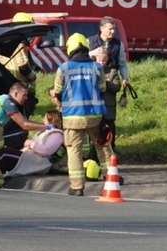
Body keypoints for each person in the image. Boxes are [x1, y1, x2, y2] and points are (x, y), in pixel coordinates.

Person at [52, 33, 107, 196]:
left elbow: (58, 92)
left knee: (74, 150)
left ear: (70, 49)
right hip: (95, 116)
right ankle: (111, 177)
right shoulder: (97, 67)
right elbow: (103, 89)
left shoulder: (63, 68)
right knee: (103, 147)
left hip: (72, 118)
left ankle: (77, 187)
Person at [87, 16, 129, 156]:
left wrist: (125, 78)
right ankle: (94, 150)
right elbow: (83, 57)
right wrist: (93, 53)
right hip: (93, 81)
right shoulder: (90, 42)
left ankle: (112, 148)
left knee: (109, 120)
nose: (113, 31)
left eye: (114, 29)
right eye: (110, 29)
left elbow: (122, 63)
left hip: (111, 79)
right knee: (94, 121)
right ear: (101, 28)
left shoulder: (118, 44)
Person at [0, 11, 39, 112]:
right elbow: (23, 65)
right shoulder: (19, 44)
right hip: (19, 83)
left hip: (7, 81)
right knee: (21, 111)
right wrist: (32, 76)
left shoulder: (4, 42)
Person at [6, 110, 66, 177]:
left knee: (5, 154)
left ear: (52, 121)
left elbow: (47, 150)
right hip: (30, 157)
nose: (43, 120)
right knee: (5, 154)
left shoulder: (56, 134)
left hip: (40, 162)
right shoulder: (45, 131)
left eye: (45, 119)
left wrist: (30, 143)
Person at [0, 81, 50, 153]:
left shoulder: (2, 98)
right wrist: (48, 127)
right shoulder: (7, 102)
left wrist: (43, 125)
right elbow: (25, 125)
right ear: (16, 94)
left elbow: (25, 121)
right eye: (24, 95)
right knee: (22, 133)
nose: (26, 98)